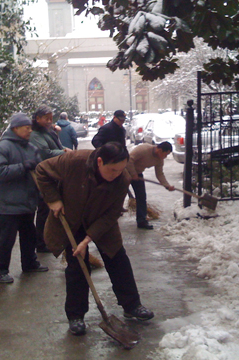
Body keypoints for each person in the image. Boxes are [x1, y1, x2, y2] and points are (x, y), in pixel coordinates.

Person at [35, 142, 154, 336]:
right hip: (72, 218)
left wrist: (88, 239)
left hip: (101, 219)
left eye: (121, 169)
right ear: (100, 161)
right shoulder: (74, 161)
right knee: (77, 265)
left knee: (118, 258)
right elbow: (42, 170)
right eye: (112, 169)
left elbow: (112, 214)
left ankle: (132, 305)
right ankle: (76, 316)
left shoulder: (122, 178)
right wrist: (53, 199)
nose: (116, 174)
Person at [0, 112, 49, 283]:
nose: (30, 130)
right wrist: (23, 166)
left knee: (29, 236)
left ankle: (29, 264)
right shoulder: (2, 148)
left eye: (30, 127)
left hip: (28, 201)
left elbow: (38, 173)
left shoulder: (31, 148)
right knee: (6, 240)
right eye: (26, 127)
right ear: (15, 128)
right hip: (10, 204)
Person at [30, 105, 70, 253]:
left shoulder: (47, 131)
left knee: (46, 210)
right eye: (45, 118)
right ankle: (40, 242)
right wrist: (63, 152)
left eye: (50, 118)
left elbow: (54, 145)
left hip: (52, 173)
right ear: (37, 119)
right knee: (43, 210)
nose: (49, 121)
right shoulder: (35, 135)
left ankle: (44, 240)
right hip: (43, 175)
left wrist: (62, 148)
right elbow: (44, 153)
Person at [126, 142, 175, 229]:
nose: (165, 157)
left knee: (141, 196)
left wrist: (167, 186)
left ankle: (141, 221)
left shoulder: (159, 160)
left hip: (138, 174)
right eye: (166, 154)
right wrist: (133, 174)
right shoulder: (144, 149)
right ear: (160, 150)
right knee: (119, 194)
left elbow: (159, 174)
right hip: (124, 172)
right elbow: (129, 160)